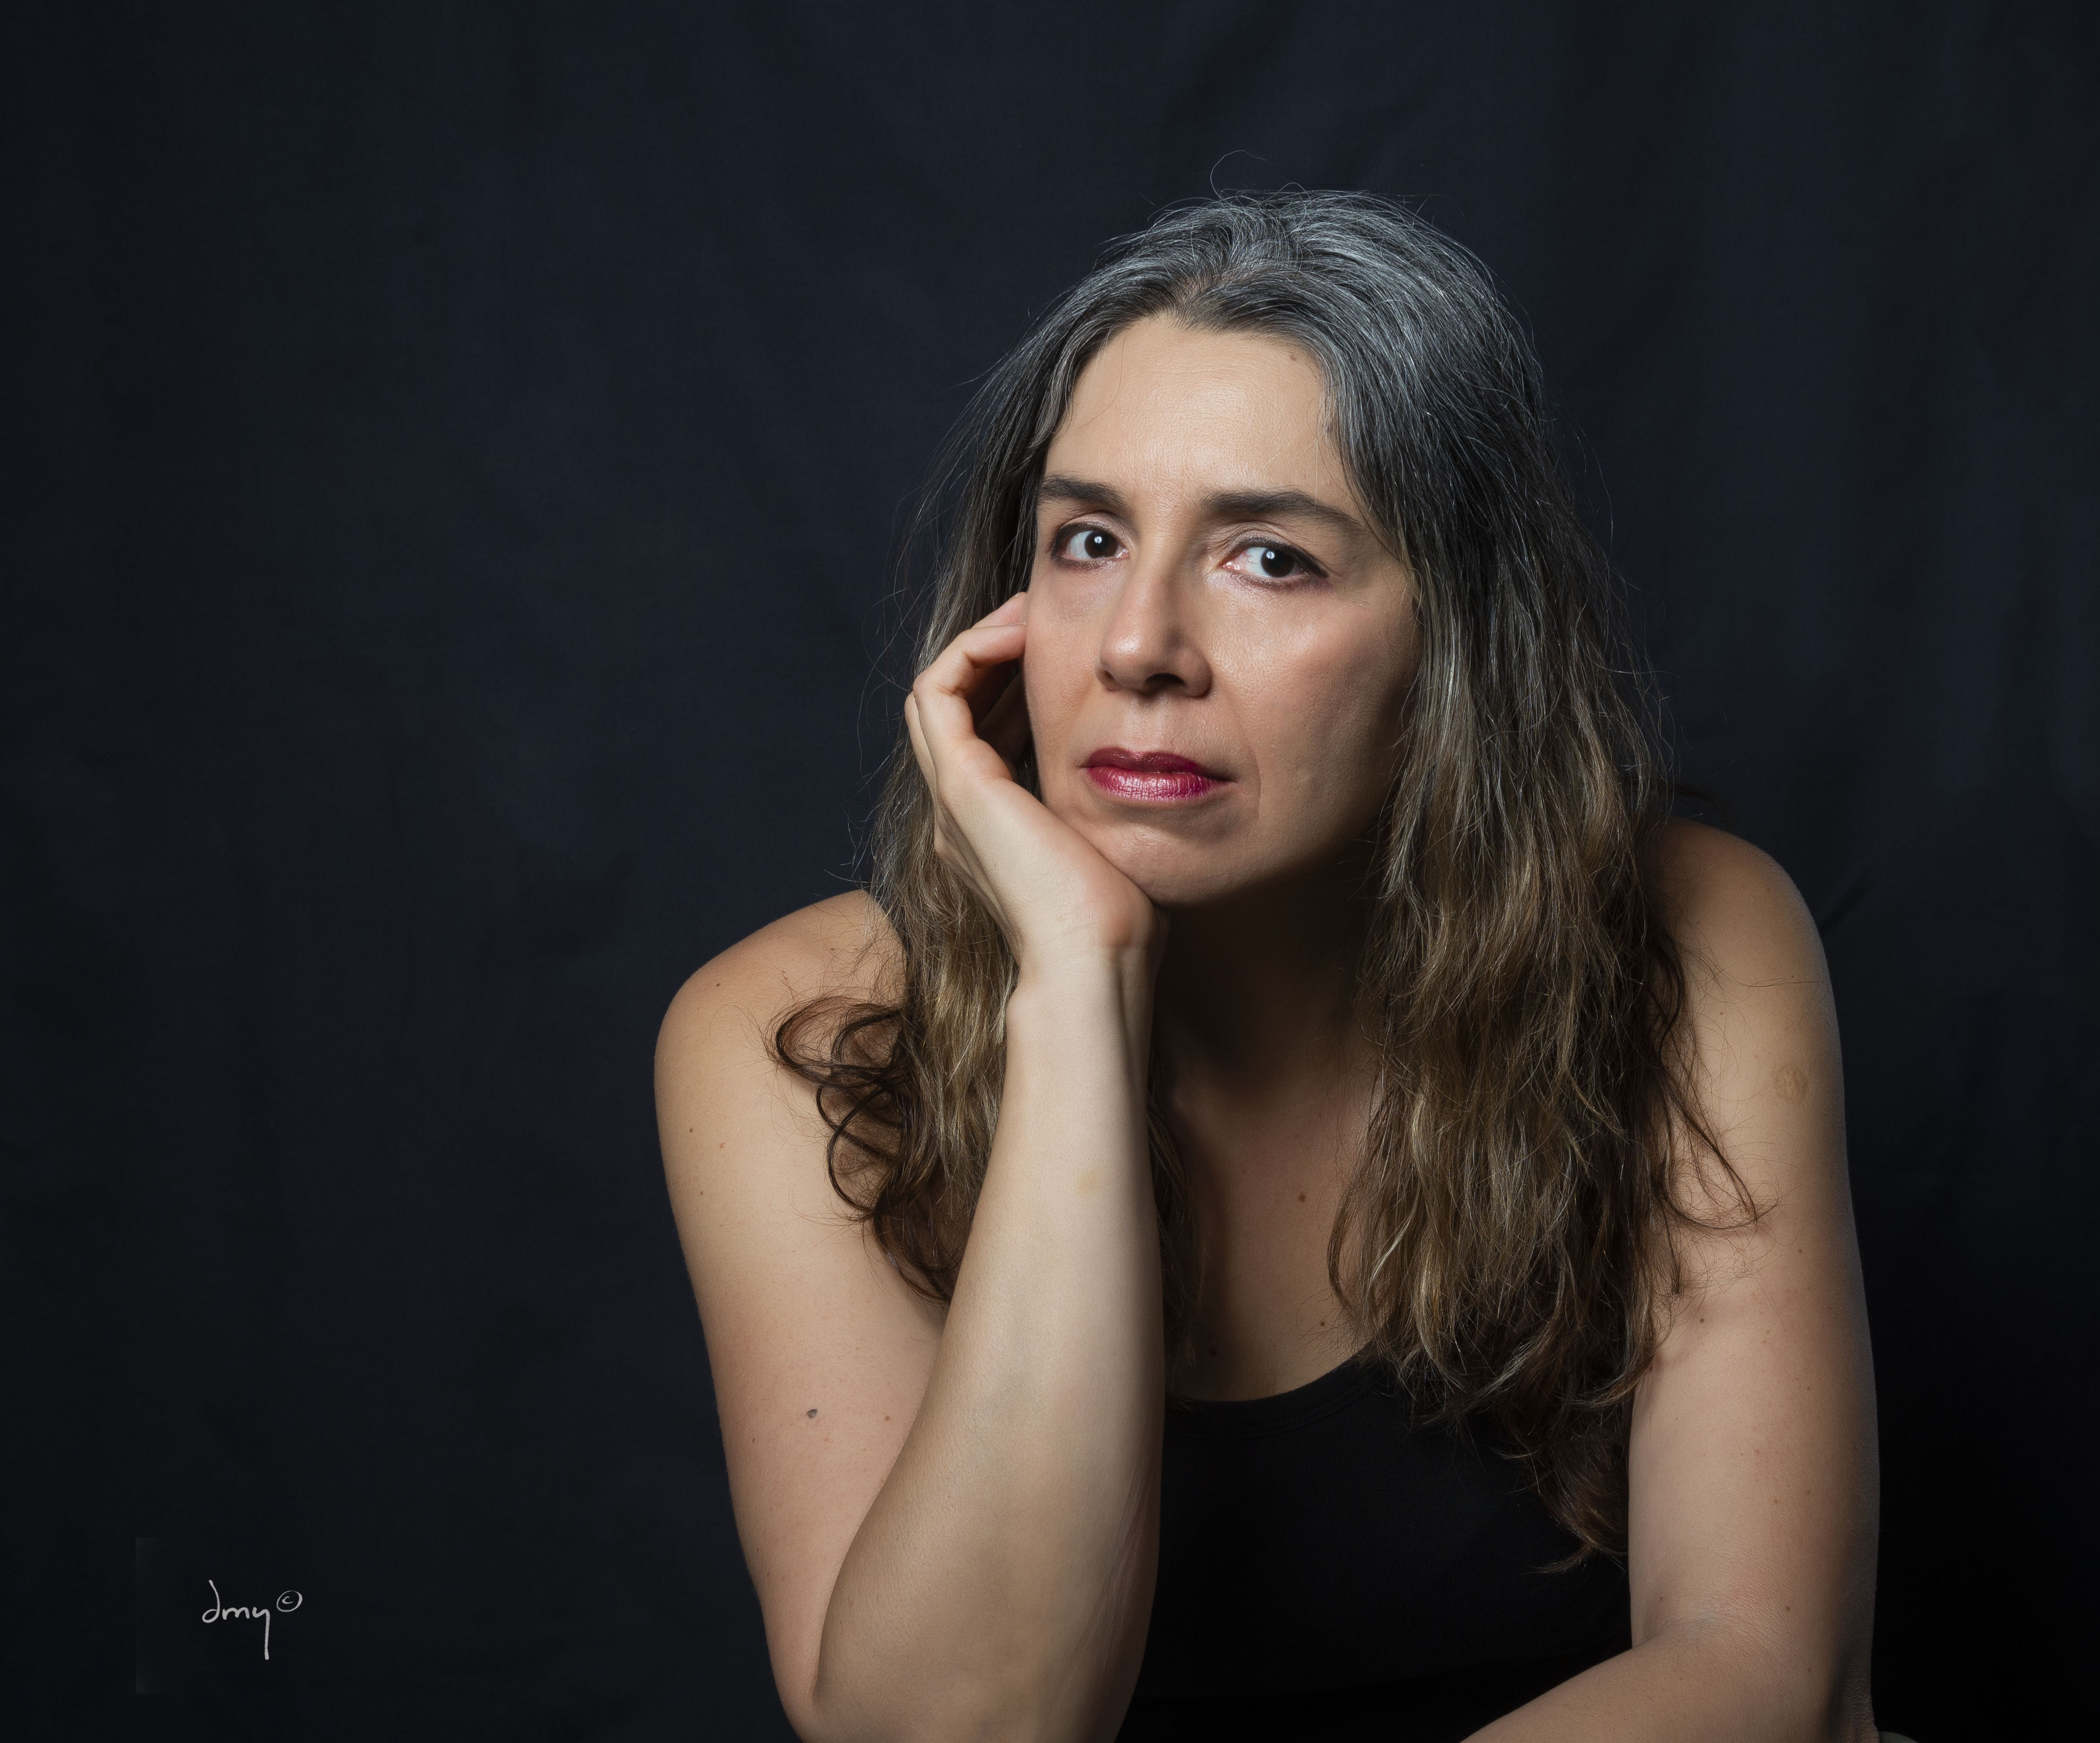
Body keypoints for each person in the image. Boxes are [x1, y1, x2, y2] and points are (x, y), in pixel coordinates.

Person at [656, 190, 1884, 1742]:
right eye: (1088, 541)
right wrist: (1080, 985)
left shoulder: (1693, 933)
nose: (1137, 645)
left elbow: (1769, 1676)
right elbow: (955, 1732)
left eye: (1269, 559)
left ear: (1460, 642)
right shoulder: (791, 1033)